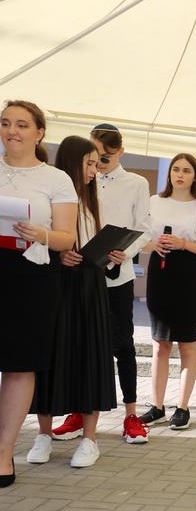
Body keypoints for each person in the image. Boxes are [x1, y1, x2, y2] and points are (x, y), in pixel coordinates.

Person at [51, 123, 151, 445]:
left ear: (120, 151)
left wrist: (126, 251)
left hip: (117, 275)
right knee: (81, 344)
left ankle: (131, 415)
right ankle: (78, 412)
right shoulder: (73, 184)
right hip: (80, 277)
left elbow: (144, 228)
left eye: (105, 158)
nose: (98, 165)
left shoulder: (136, 183)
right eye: (93, 158)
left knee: (122, 344)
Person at [0, 100, 78, 487]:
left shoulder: (56, 179)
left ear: (39, 132)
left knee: (19, 364)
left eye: (21, 124)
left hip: (32, 273)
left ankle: (3, 454)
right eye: (5, 123)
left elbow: (67, 238)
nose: (12, 131)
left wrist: (41, 233)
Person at [28, 136, 117, 469]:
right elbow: (36, 241)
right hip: (57, 286)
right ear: (71, 161)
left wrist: (112, 255)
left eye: (97, 163)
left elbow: (96, 245)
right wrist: (58, 255)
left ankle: (90, 440)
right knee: (49, 358)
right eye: (89, 163)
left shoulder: (94, 201)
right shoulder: (50, 194)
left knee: (90, 357)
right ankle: (43, 434)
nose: (95, 170)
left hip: (91, 287)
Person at [140, 153, 196, 431]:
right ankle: (157, 406)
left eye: (186, 170)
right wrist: (153, 245)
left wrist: (184, 244)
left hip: (188, 273)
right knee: (160, 343)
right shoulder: (154, 201)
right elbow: (140, 240)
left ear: (195, 176)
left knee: (186, 343)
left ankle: (183, 407)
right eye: (176, 169)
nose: (180, 174)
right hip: (159, 271)